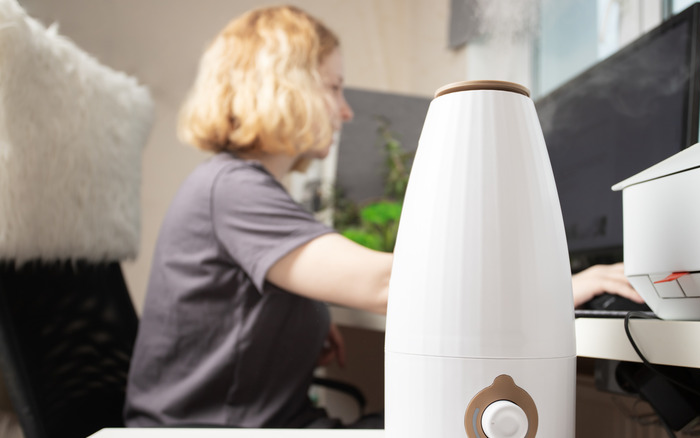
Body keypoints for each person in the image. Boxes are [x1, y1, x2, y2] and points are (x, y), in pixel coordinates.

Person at [124, 5, 641, 430]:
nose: (344, 110)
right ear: (280, 86)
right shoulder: (233, 190)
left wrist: (300, 326)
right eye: (333, 87)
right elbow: (397, 285)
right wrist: (563, 286)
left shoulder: (233, 187)